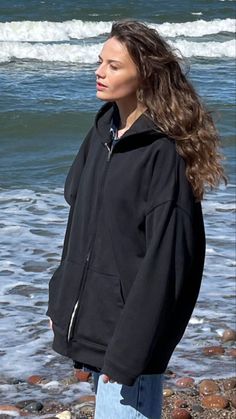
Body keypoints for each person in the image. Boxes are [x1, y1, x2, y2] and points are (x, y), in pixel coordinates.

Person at [46, 20, 227, 419]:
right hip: (99, 326)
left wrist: (131, 351)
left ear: (144, 74)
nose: (99, 71)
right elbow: (81, 227)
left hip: (131, 342)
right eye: (100, 61)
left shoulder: (163, 154)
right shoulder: (102, 134)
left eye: (114, 66)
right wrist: (61, 301)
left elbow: (169, 264)